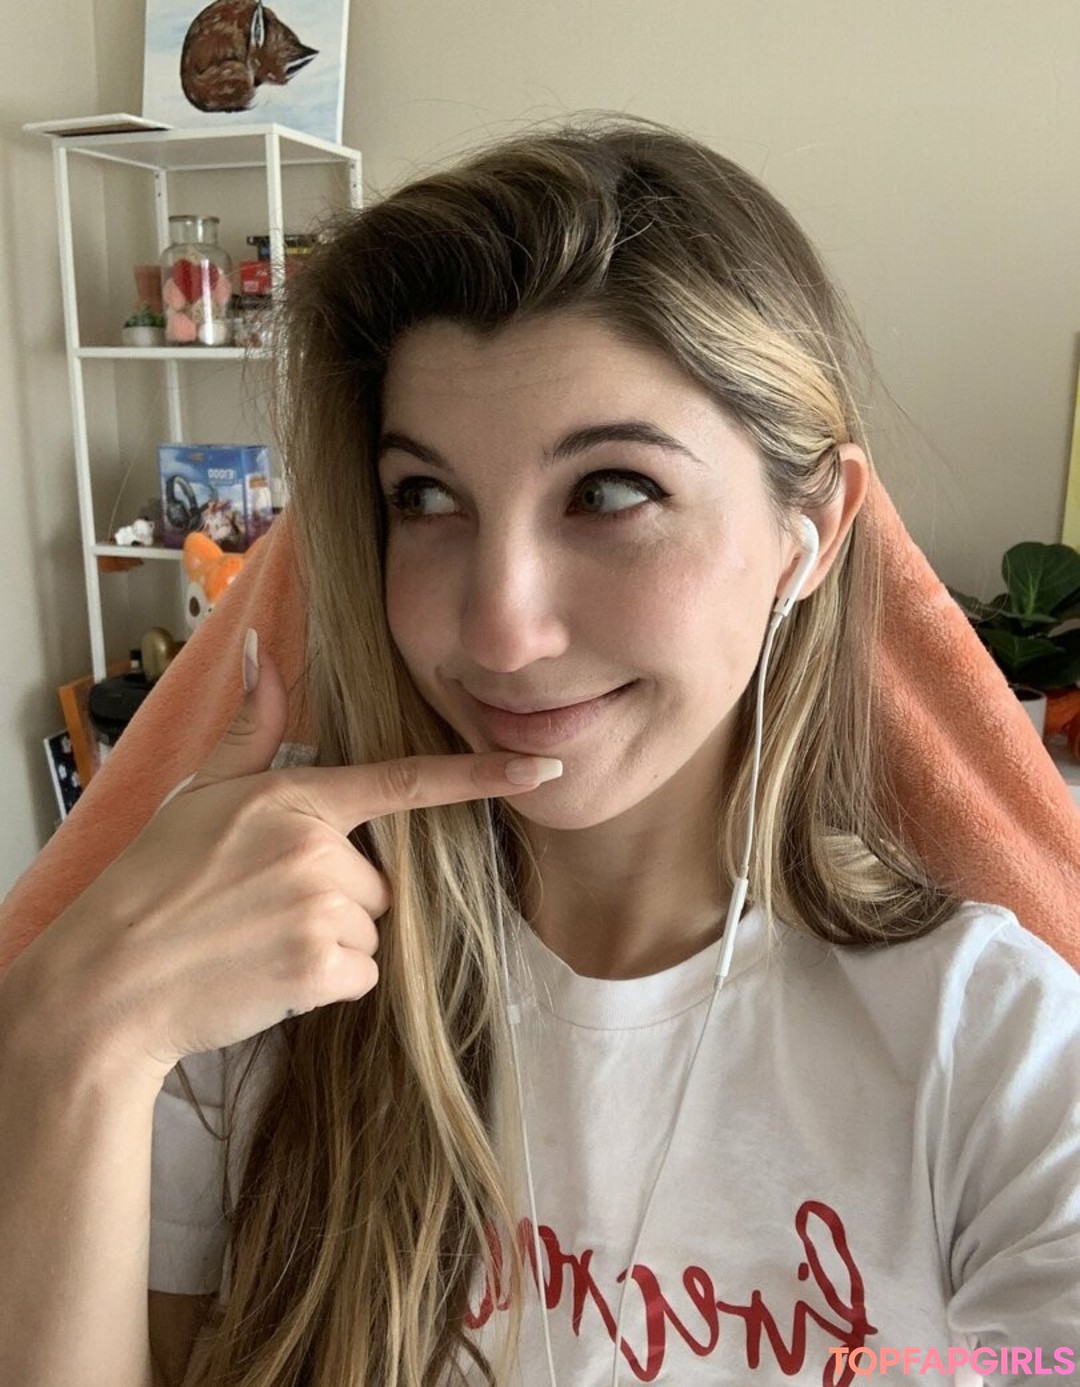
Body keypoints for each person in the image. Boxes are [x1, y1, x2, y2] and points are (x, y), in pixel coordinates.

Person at [0, 113, 1077, 1387]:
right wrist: (75, 1036)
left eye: (611, 490)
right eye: (426, 498)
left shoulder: (997, 1055)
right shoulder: (254, 957)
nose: (499, 632)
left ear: (813, 531)